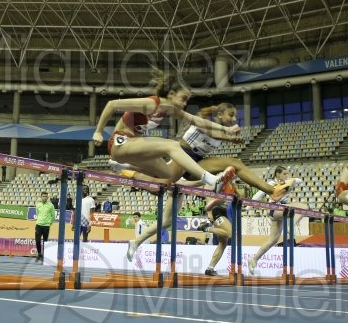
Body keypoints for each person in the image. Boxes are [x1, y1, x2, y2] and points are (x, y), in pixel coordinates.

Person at [92, 69, 240, 260]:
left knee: (169, 174)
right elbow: (112, 104)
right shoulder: (151, 103)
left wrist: (226, 129)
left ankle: (124, 167)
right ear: (170, 94)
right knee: (172, 145)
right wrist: (98, 131)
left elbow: (196, 120)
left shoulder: (170, 109)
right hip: (120, 143)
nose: (185, 103)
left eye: (187, 100)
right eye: (183, 98)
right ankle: (209, 177)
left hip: (134, 149)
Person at [246, 167, 305, 275]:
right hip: (275, 208)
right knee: (304, 207)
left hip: (280, 211)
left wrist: (288, 181)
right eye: (284, 173)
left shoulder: (287, 182)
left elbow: (299, 180)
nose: (286, 175)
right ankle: (290, 227)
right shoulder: (271, 183)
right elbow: (259, 194)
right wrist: (248, 208)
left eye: (287, 173)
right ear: (277, 174)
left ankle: (254, 259)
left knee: (272, 240)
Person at [34, 191, 56, 262]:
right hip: (38, 225)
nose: (44, 197)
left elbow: (53, 216)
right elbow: (37, 214)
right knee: (37, 240)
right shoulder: (38, 205)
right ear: (41, 197)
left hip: (46, 226)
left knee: (45, 241)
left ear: (47, 197)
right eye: (43, 196)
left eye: (46, 196)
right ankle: (39, 254)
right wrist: (39, 220)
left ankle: (44, 255)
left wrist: (49, 223)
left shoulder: (51, 205)